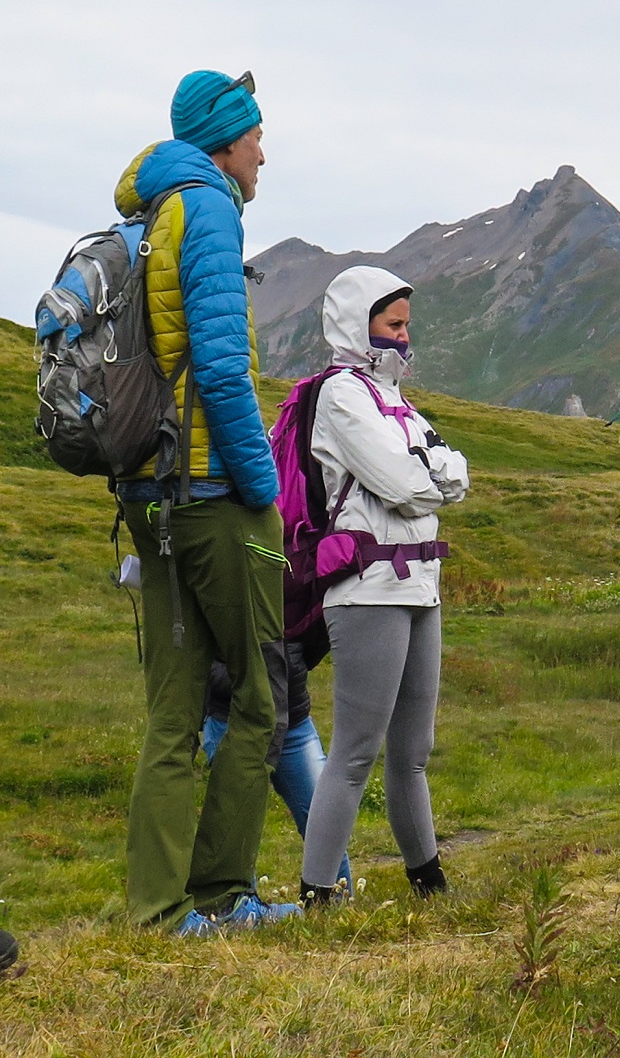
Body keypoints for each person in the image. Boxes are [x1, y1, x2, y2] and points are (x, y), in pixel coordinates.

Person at [116, 70, 296, 935]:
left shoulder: (150, 210)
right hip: (214, 489)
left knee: (173, 710)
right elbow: (223, 369)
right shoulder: (211, 207)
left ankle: (158, 909)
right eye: (256, 133)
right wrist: (264, 488)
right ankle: (225, 894)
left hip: (149, 488)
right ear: (225, 138)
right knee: (262, 691)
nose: (264, 149)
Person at [299, 267, 469, 905]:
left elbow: (452, 473)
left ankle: (429, 881)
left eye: (405, 324)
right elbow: (409, 485)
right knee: (355, 753)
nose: (404, 336)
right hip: (368, 589)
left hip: (421, 584)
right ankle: (318, 891)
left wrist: (429, 476)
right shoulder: (343, 396)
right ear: (357, 325)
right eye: (392, 324)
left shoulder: (395, 398)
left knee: (413, 750)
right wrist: (431, 477)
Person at [202, 647, 349, 888]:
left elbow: (315, 618)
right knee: (233, 828)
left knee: (324, 820)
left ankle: (339, 906)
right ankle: (235, 909)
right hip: (229, 717)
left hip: (293, 717)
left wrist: (293, 660)